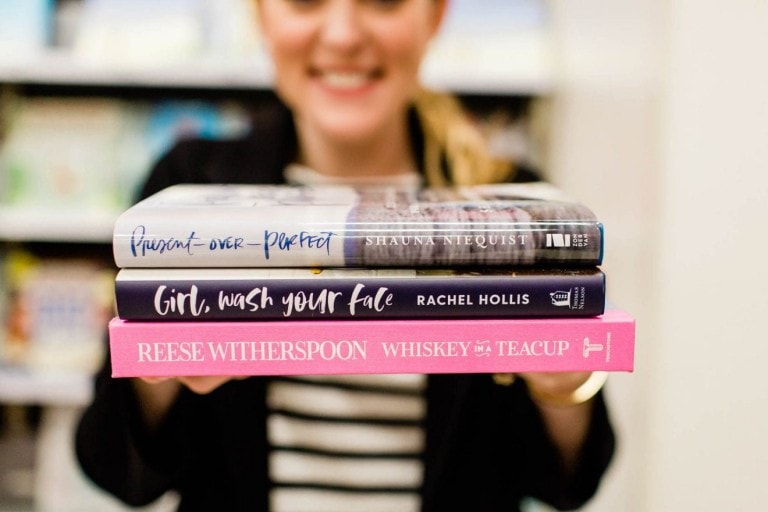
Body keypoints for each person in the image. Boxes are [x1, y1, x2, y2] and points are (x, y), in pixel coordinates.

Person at [76, 1, 616, 511]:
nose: (342, 35)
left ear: (435, 15)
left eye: (382, 0)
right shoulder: (187, 190)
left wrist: (564, 383)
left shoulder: (512, 208)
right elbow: (115, 470)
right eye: (306, 1)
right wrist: (162, 364)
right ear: (262, 15)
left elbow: (569, 482)